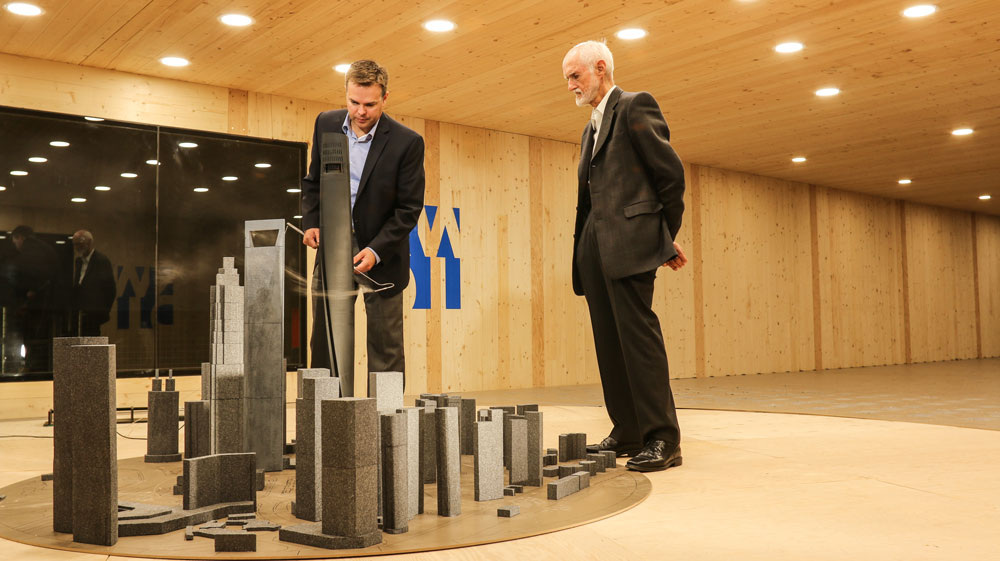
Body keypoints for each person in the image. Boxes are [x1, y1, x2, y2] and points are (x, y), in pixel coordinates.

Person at [562, 41, 688, 472]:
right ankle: (629, 430)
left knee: (638, 341)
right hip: (593, 248)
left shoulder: (635, 106)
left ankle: (662, 439)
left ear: (601, 68)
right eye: (568, 80)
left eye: (575, 76)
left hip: (631, 246)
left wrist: (662, 238)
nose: (571, 86)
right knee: (609, 344)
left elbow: (669, 176)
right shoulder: (589, 127)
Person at [301, 59, 425, 391]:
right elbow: (313, 181)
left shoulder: (406, 142)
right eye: (354, 102)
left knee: (385, 350)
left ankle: (386, 431)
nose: (361, 111)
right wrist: (312, 221)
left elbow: (409, 209)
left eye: (370, 104)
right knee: (326, 342)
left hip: (381, 256)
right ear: (346, 94)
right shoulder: (325, 123)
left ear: (385, 98)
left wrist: (375, 249)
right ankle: (326, 422)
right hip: (333, 248)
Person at [10, 225, 59, 372]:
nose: (16, 246)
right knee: (42, 340)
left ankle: (31, 368)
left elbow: (26, 276)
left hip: (34, 306)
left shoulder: (29, 252)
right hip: (49, 305)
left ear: (20, 237)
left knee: (32, 340)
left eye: (15, 242)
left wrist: (27, 293)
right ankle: (40, 368)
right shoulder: (46, 249)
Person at [70, 230, 116, 336]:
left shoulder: (101, 261)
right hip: (79, 313)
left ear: (89, 242)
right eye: (75, 244)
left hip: (93, 313)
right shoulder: (79, 261)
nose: (77, 247)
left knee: (91, 341)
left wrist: (101, 312)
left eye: (80, 244)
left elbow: (110, 289)